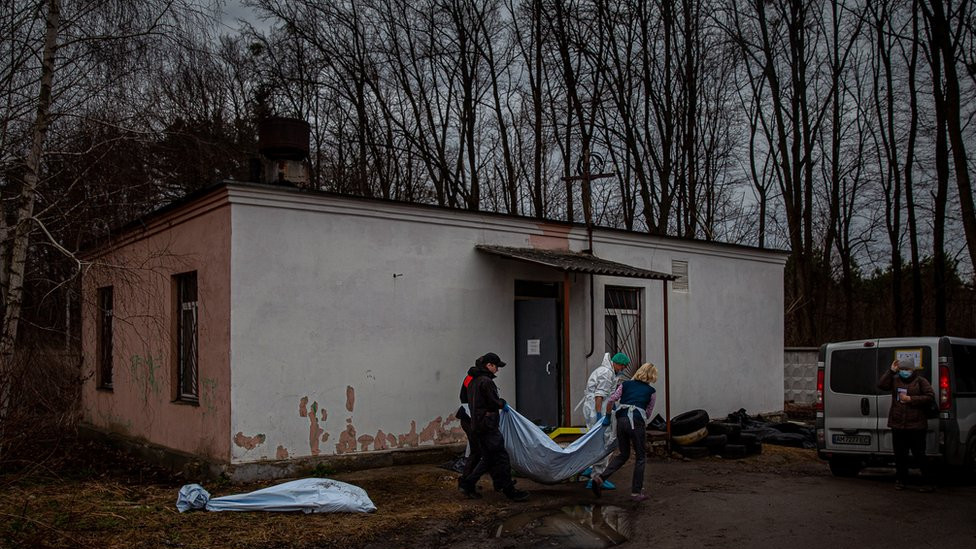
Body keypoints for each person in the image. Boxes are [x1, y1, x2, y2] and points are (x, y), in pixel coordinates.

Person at [458, 352, 529, 501]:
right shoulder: (486, 381)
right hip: (487, 425)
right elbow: (493, 402)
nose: (497, 370)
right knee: (501, 457)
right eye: (496, 366)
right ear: (489, 365)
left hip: (477, 425)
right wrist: (502, 403)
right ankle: (509, 490)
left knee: (488, 458)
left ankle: (470, 483)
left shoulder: (473, 380)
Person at [591, 362, 658, 502]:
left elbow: (611, 400)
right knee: (640, 457)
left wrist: (608, 417)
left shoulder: (625, 384)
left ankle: (600, 478)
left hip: (621, 421)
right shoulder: (651, 392)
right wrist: (640, 421)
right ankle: (636, 492)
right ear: (651, 376)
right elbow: (648, 412)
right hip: (636, 422)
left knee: (624, 454)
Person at [878, 357, 936, 491]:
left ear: (913, 370)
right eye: (902, 369)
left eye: (907, 369)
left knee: (919, 455)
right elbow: (881, 385)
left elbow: (930, 396)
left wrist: (911, 399)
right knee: (900, 455)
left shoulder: (920, 381)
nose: (904, 371)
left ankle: (927, 482)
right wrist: (891, 371)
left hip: (916, 425)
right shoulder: (895, 380)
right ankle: (901, 480)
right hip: (898, 424)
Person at [578, 352, 630, 489]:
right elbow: (599, 396)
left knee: (595, 440)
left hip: (592, 409)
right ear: (616, 363)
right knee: (603, 441)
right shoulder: (606, 373)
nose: (623, 369)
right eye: (622, 366)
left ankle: (591, 468)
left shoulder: (605, 371)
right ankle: (597, 476)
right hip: (597, 410)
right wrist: (601, 416)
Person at [455, 357, 483, 494]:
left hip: (469, 418)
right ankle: (466, 482)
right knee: (477, 452)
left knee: (478, 452)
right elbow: (472, 399)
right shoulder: (474, 380)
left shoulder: (471, 378)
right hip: (471, 419)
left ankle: (467, 481)